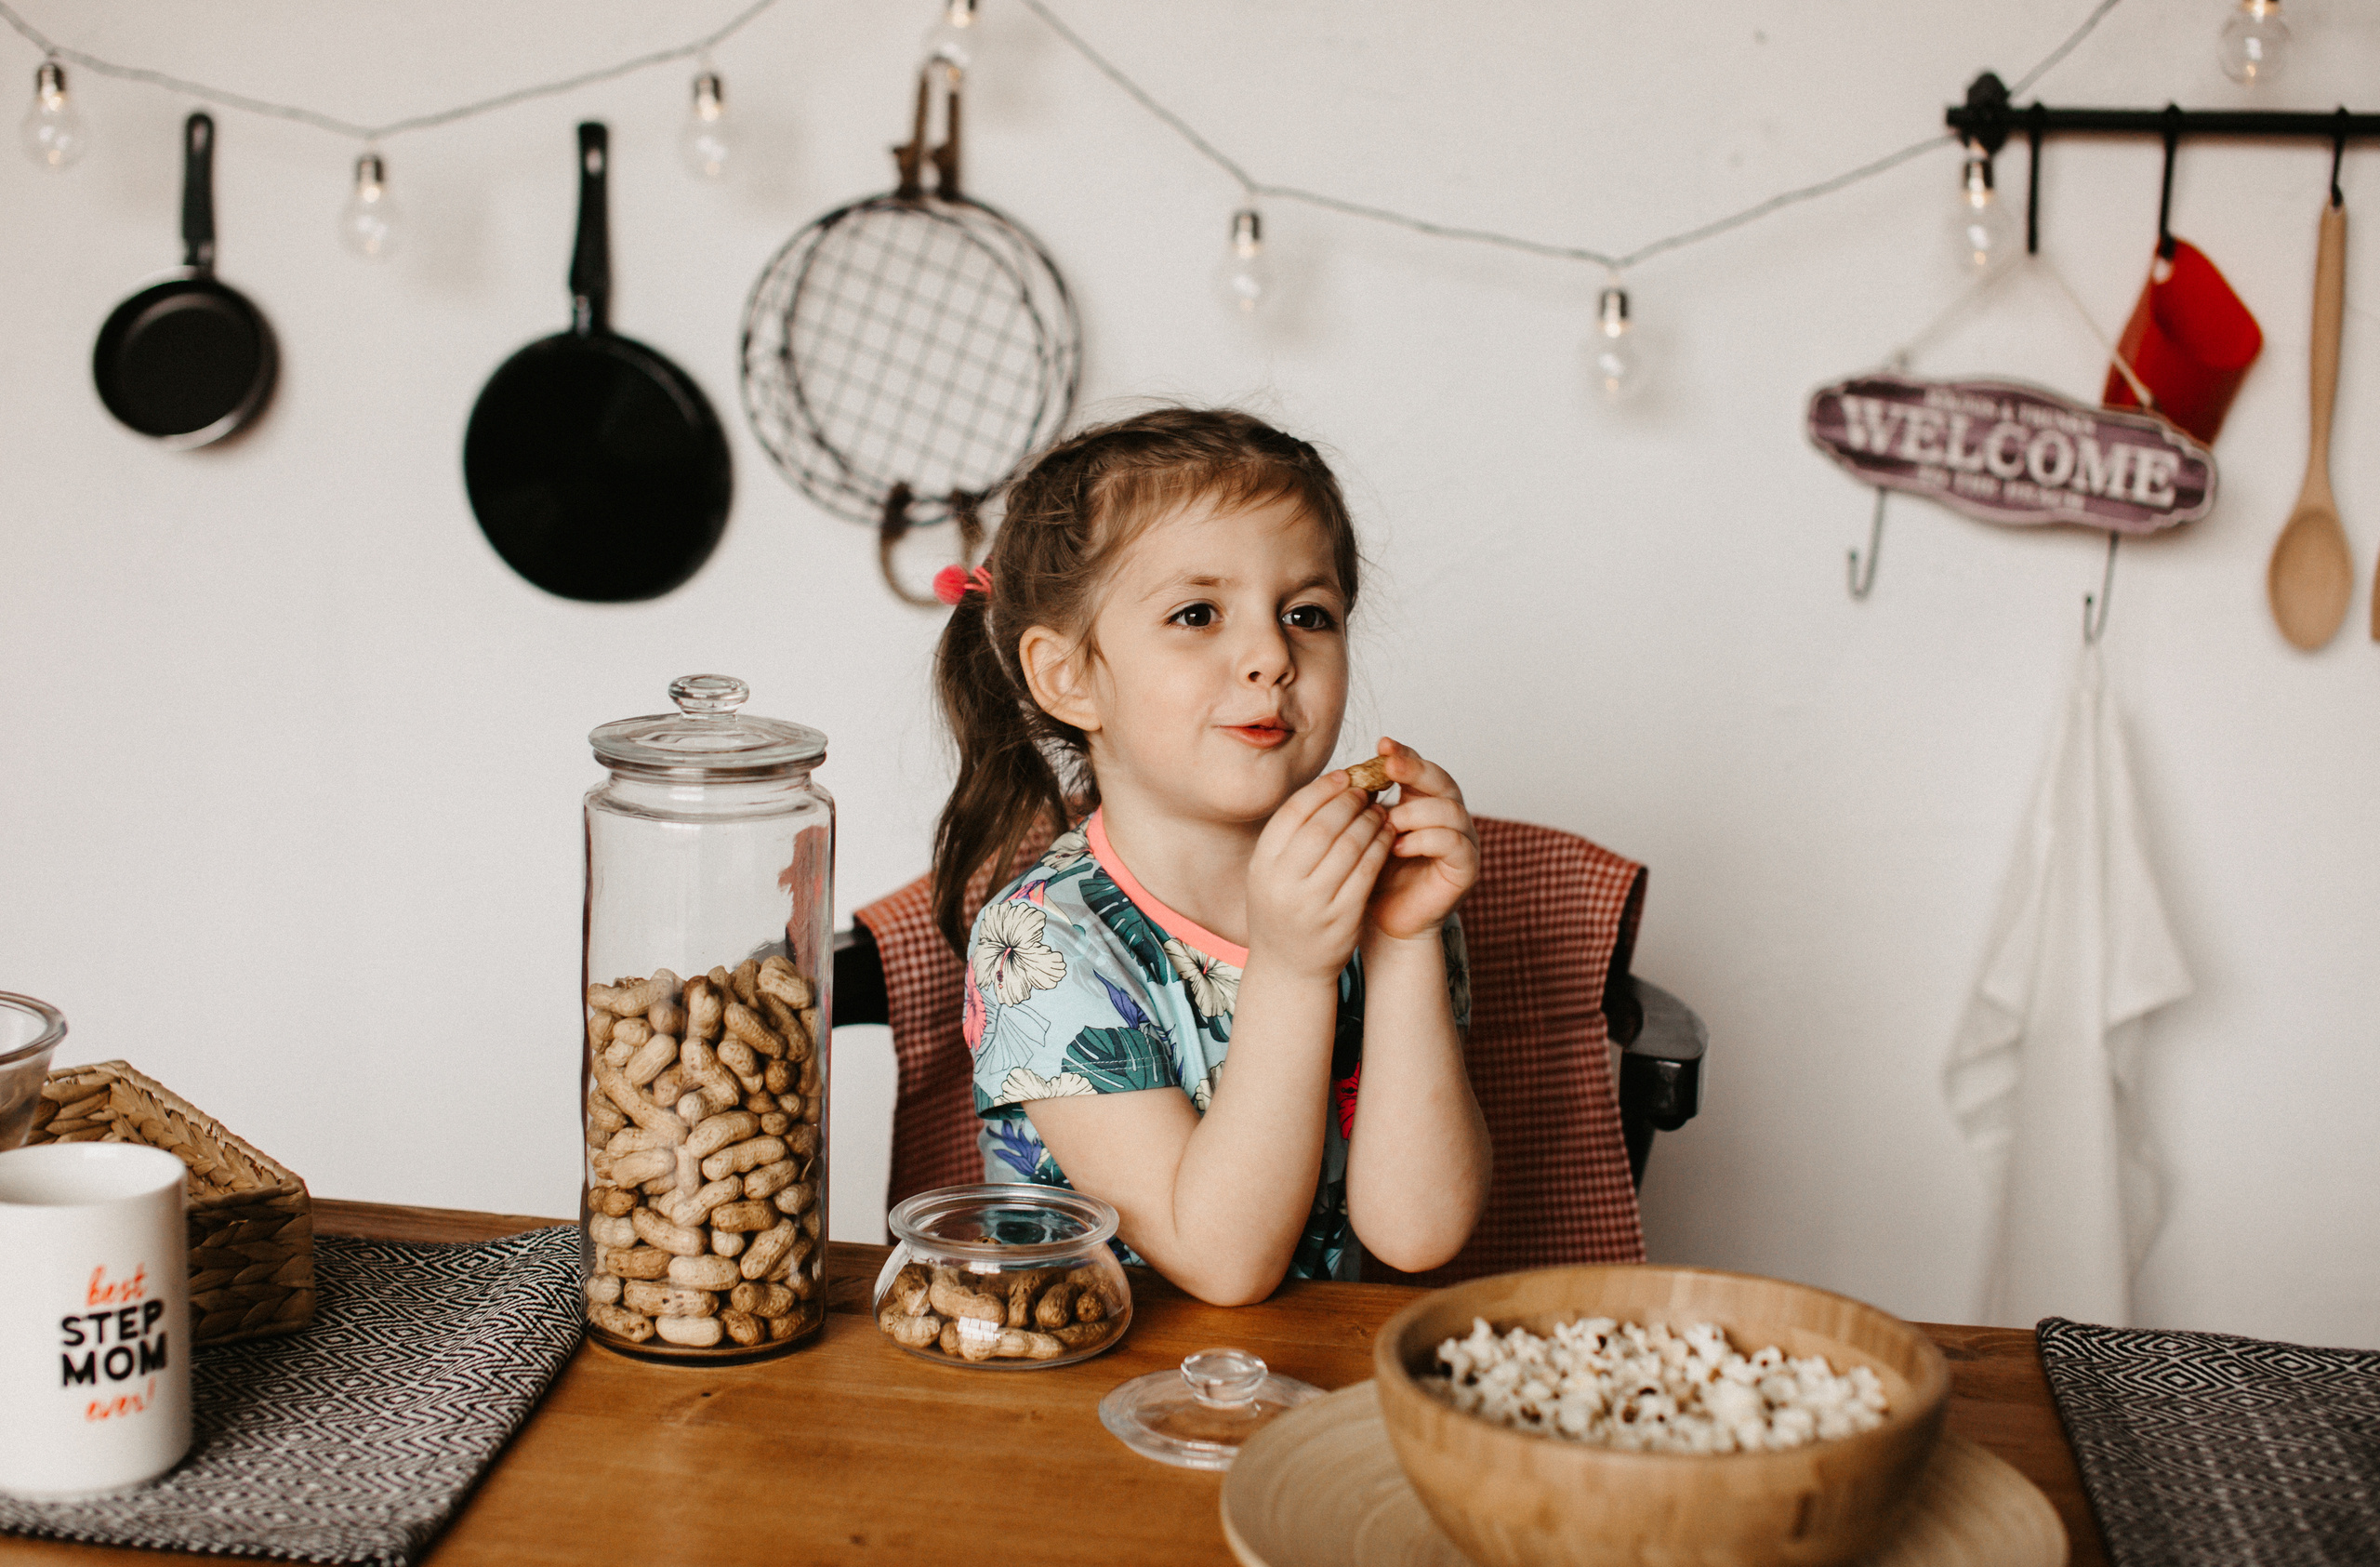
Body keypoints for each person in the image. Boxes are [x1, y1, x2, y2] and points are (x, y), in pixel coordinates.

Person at [931, 406, 1489, 1305]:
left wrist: (1410, 938)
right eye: (1198, 613)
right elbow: (1223, 1262)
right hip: (1076, 1402)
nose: (1271, 654)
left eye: (1308, 613)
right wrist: (1297, 968)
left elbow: (1419, 1233)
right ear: (1068, 675)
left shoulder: (1377, 895)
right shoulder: (1039, 942)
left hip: (1300, 1395)